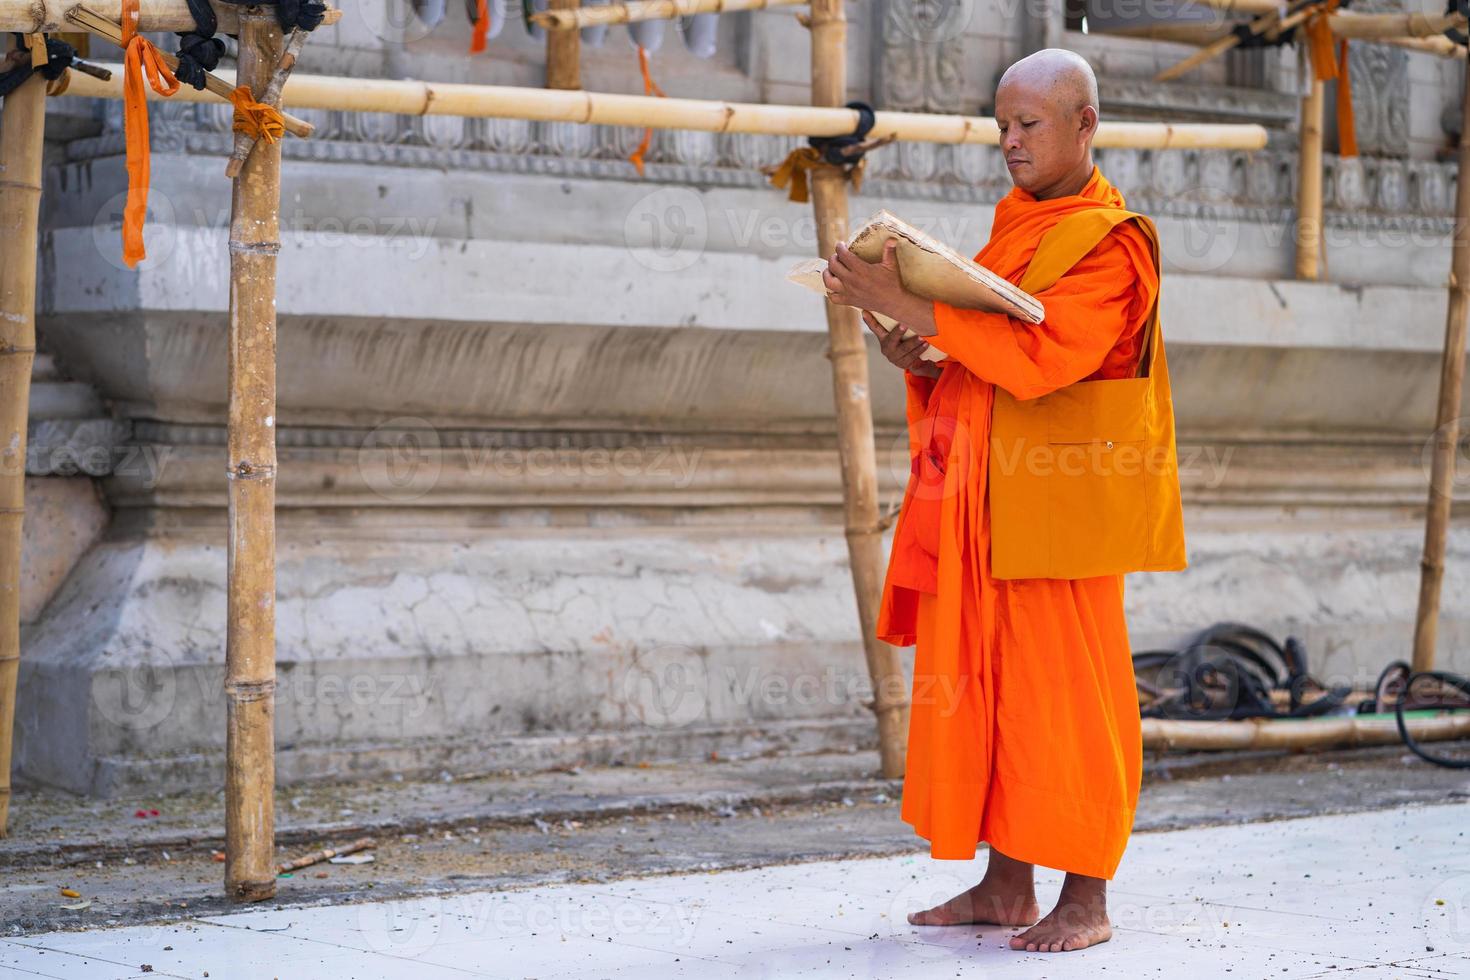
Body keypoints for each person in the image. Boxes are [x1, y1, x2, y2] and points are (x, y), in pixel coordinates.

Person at [821, 48, 1178, 953]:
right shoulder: (1015, 225)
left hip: (1059, 513)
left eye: (1030, 125)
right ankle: (1008, 885)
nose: (1010, 143)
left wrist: (917, 307)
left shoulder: (1112, 241)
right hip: (985, 501)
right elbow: (988, 356)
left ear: (1084, 125)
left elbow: (1050, 354)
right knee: (993, 695)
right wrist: (924, 358)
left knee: (1067, 698)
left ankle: (1087, 895)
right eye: (1002, 126)